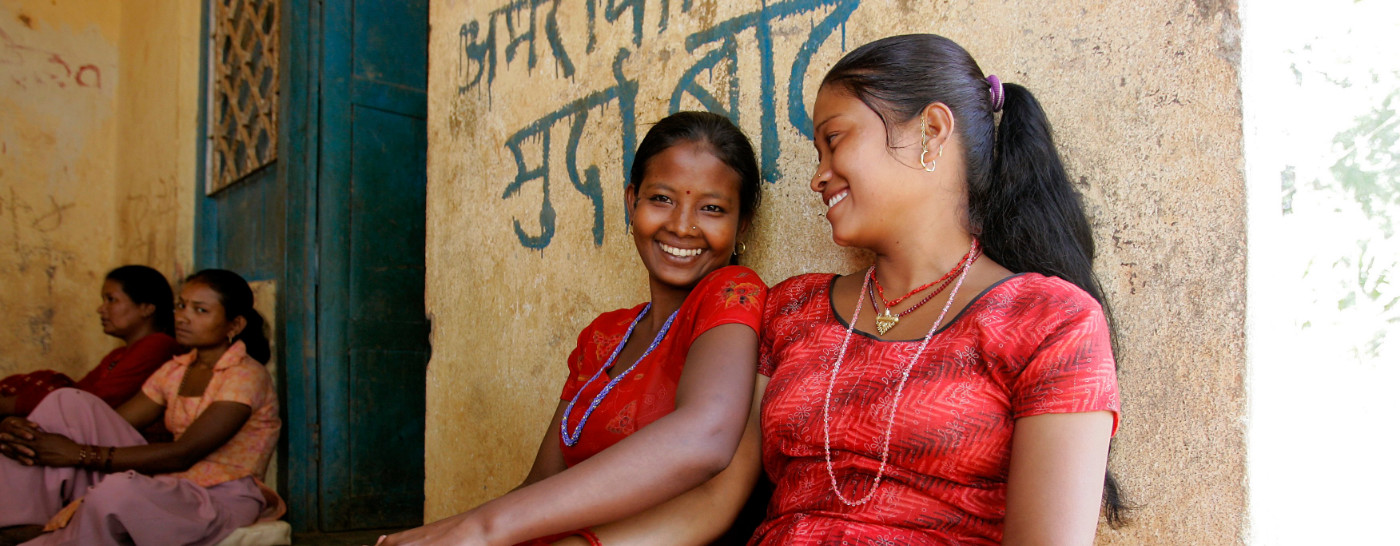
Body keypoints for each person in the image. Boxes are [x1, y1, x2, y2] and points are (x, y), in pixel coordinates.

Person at [752, 34, 1123, 544]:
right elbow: (714, 485)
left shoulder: (1050, 323)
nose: (818, 176)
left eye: (834, 141)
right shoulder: (792, 309)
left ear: (930, 131)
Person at [379, 111, 768, 546]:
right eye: (661, 198)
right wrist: (439, 533)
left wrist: (482, 530)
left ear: (742, 224)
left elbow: (707, 444)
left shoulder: (734, 294)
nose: (681, 225)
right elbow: (538, 485)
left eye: (712, 208)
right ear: (631, 202)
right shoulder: (604, 336)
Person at [0, 269, 282, 546]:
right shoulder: (175, 369)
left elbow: (183, 455)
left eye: (200, 310)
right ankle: (17, 524)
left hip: (218, 495)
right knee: (67, 402)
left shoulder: (245, 375)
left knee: (117, 492)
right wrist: (23, 429)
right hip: (169, 482)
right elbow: (105, 423)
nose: (182, 316)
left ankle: (46, 539)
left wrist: (79, 454)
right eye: (181, 306)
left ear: (234, 326)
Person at [1, 265, 181, 416]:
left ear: (146, 308)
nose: (101, 309)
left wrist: (14, 404)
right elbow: (79, 392)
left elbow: (93, 401)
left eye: (111, 300)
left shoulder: (158, 345)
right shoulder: (117, 355)